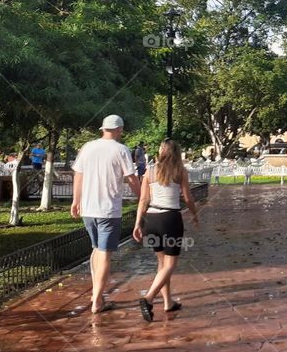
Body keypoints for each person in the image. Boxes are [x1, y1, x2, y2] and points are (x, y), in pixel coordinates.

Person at [71, 115, 141, 314]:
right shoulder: (121, 150)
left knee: (96, 250)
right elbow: (131, 178)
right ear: (119, 129)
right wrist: (142, 196)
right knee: (105, 254)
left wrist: (76, 201)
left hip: (88, 209)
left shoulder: (88, 147)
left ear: (103, 129)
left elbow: (78, 175)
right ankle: (97, 302)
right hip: (109, 210)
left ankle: (97, 295)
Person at [133, 139, 200, 322]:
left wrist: (138, 223)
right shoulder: (180, 171)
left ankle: (168, 302)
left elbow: (143, 200)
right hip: (170, 220)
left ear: (161, 151)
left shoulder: (150, 171)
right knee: (170, 265)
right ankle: (148, 298)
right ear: (177, 152)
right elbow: (188, 197)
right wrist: (195, 214)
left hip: (152, 221)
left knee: (162, 265)